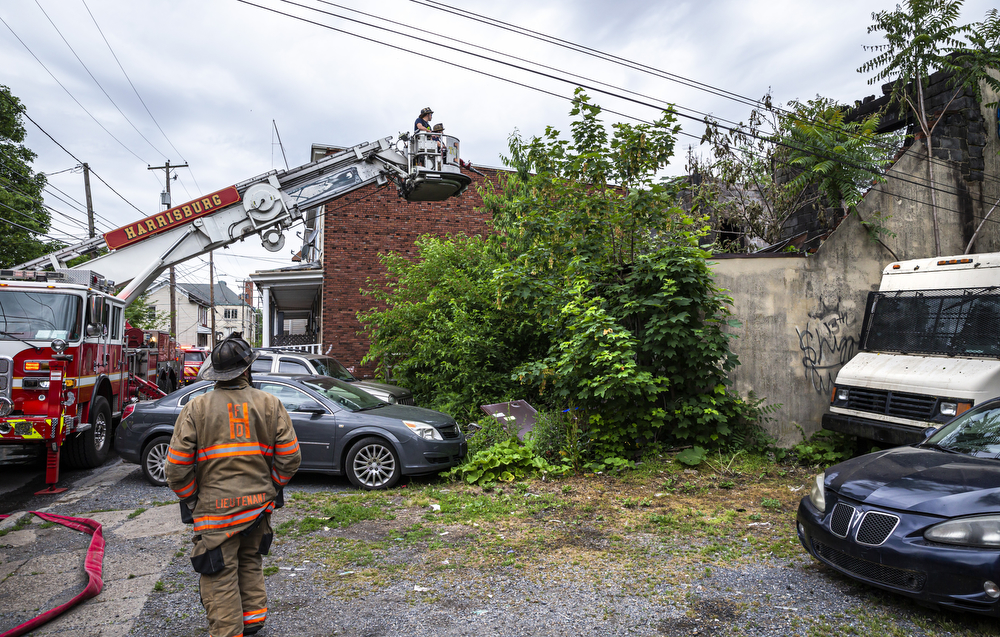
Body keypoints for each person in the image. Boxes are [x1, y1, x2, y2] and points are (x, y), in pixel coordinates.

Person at [166, 334, 300, 637]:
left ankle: (230, 632)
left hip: (215, 513)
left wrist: (193, 501)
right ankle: (253, 624)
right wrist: (270, 488)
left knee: (220, 574)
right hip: (258, 508)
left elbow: (176, 468)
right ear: (246, 369)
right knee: (250, 561)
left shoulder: (196, 408)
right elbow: (291, 457)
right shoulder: (270, 403)